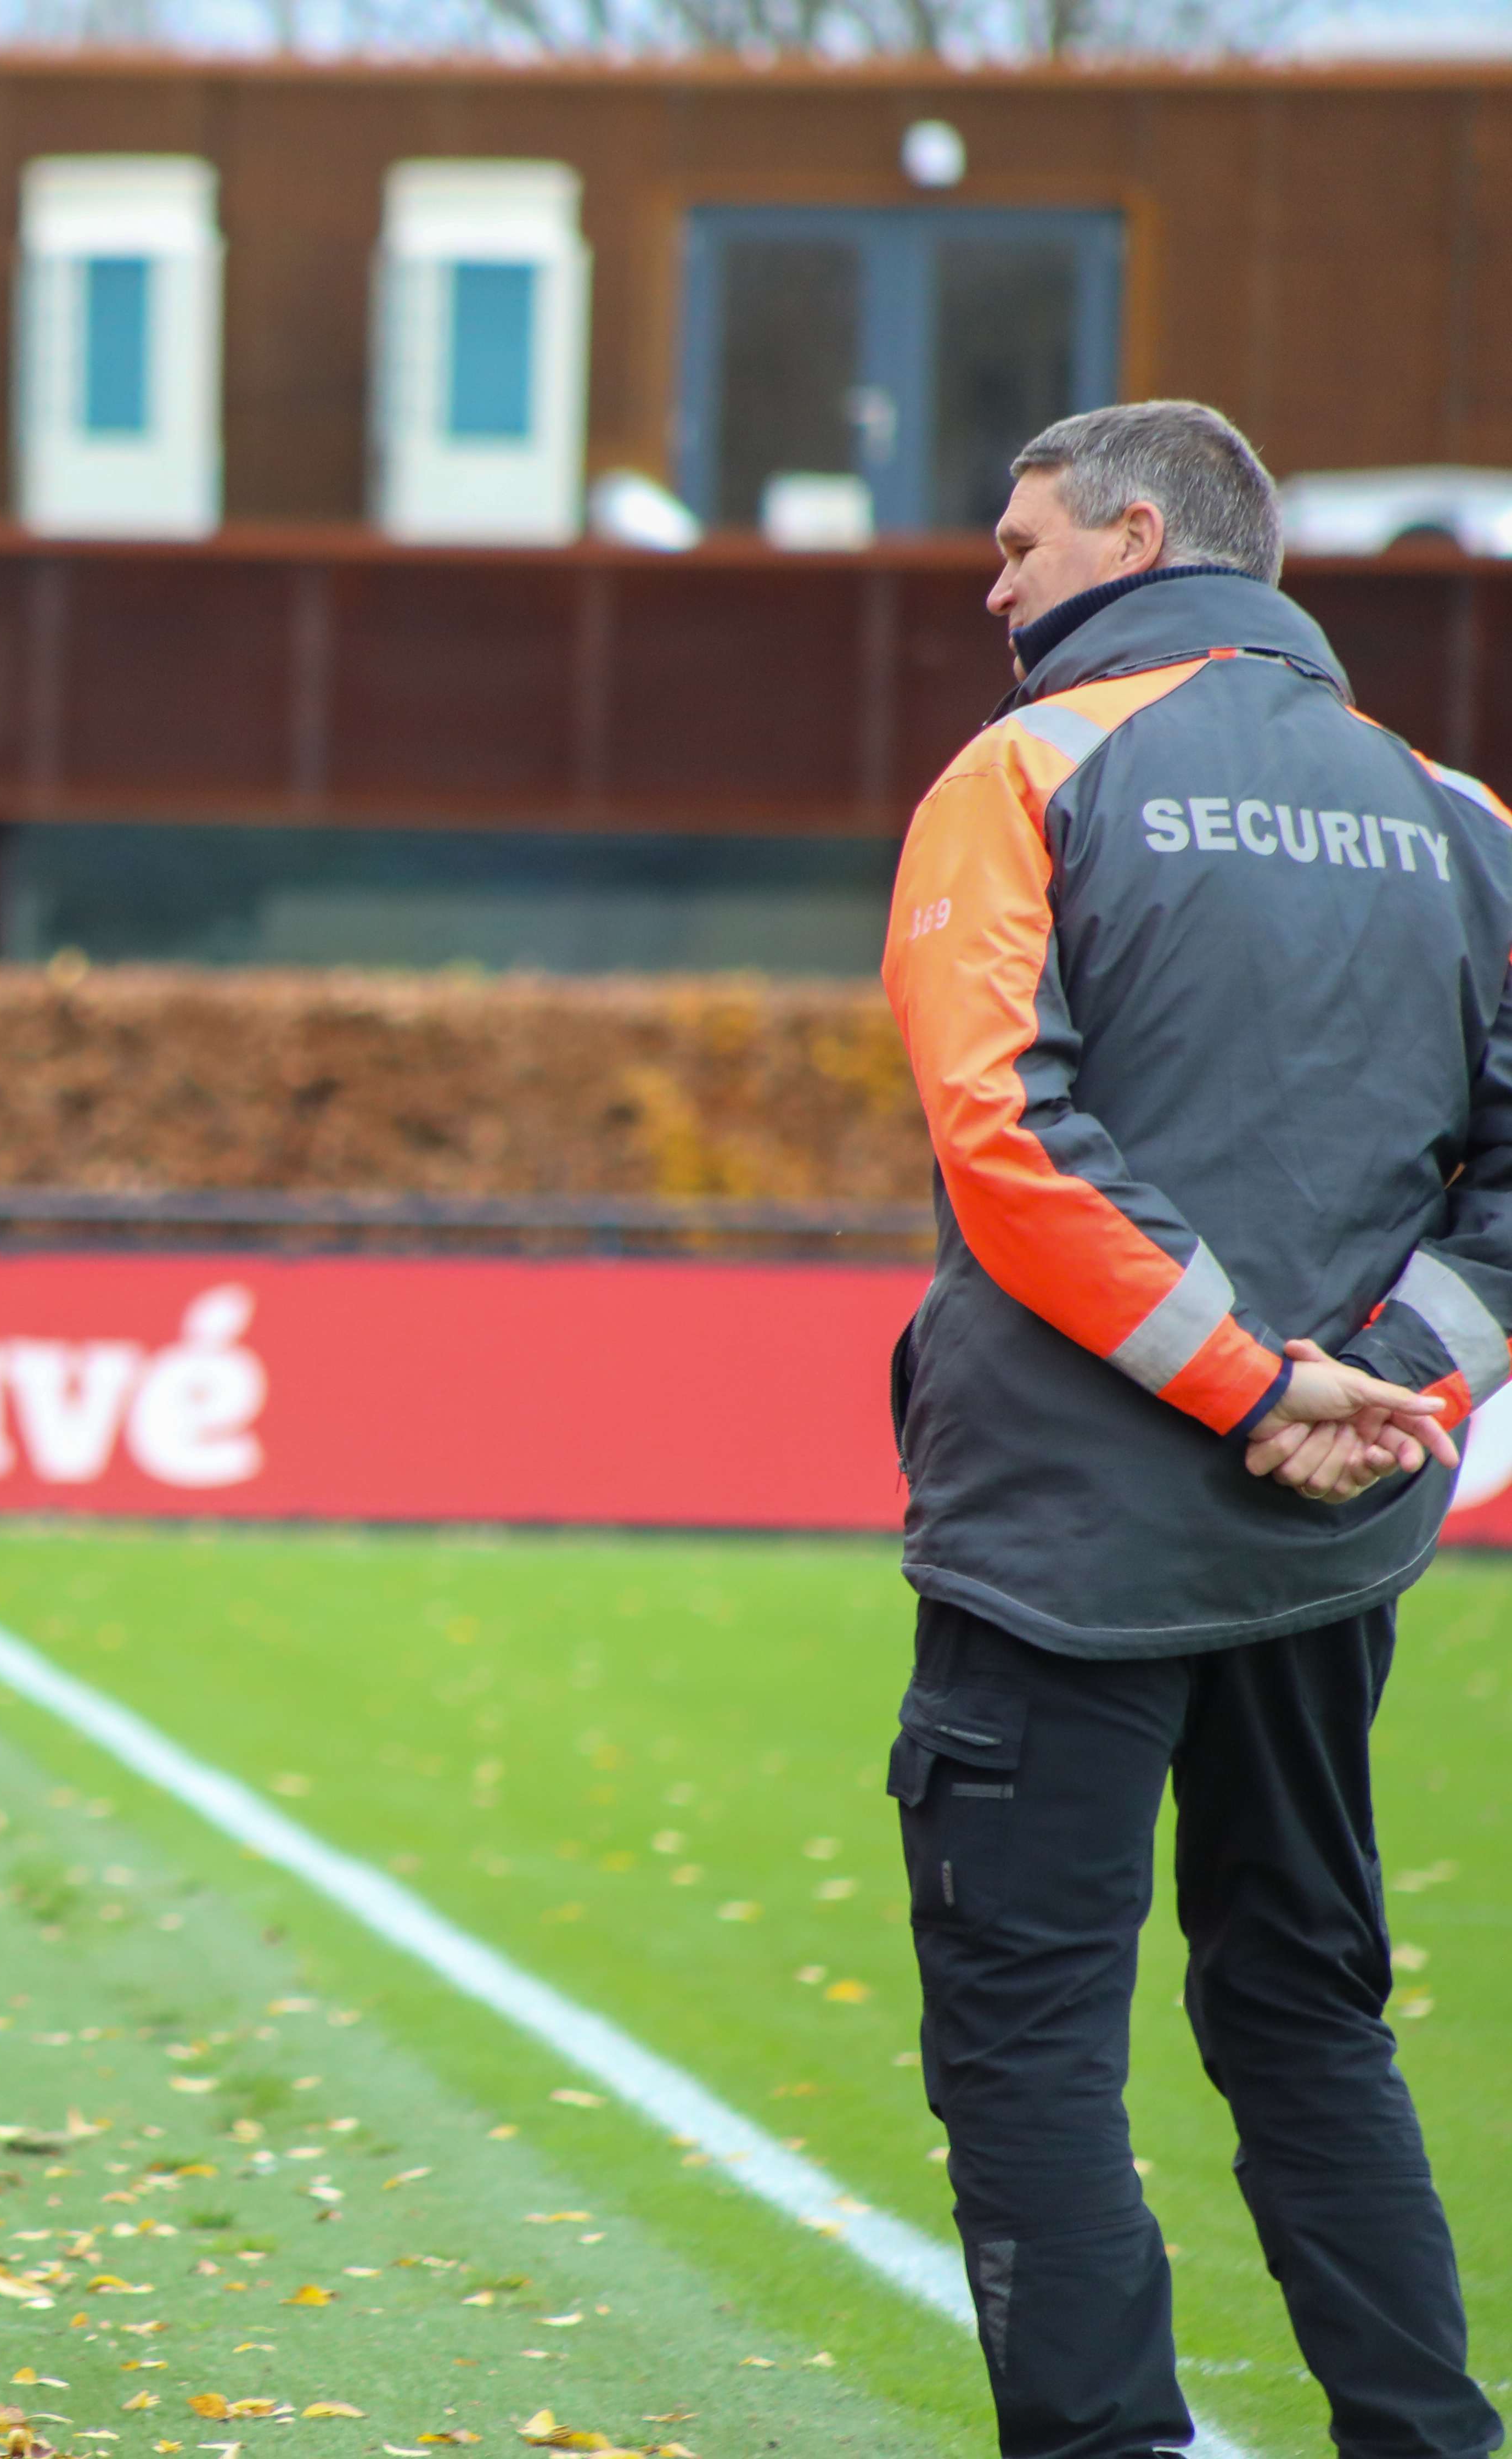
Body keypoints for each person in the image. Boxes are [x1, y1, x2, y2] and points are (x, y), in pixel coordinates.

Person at [881, 397, 1511, 2459]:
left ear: (1140, 533)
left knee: (1031, 2046)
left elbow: (1003, 1132)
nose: (994, 587)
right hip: (1327, 1543)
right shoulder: (1456, 815)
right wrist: (1388, 1381)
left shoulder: (1026, 772)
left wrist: (1253, 1381)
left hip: (1066, 1544)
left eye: (1021, 546)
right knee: (1306, 2009)